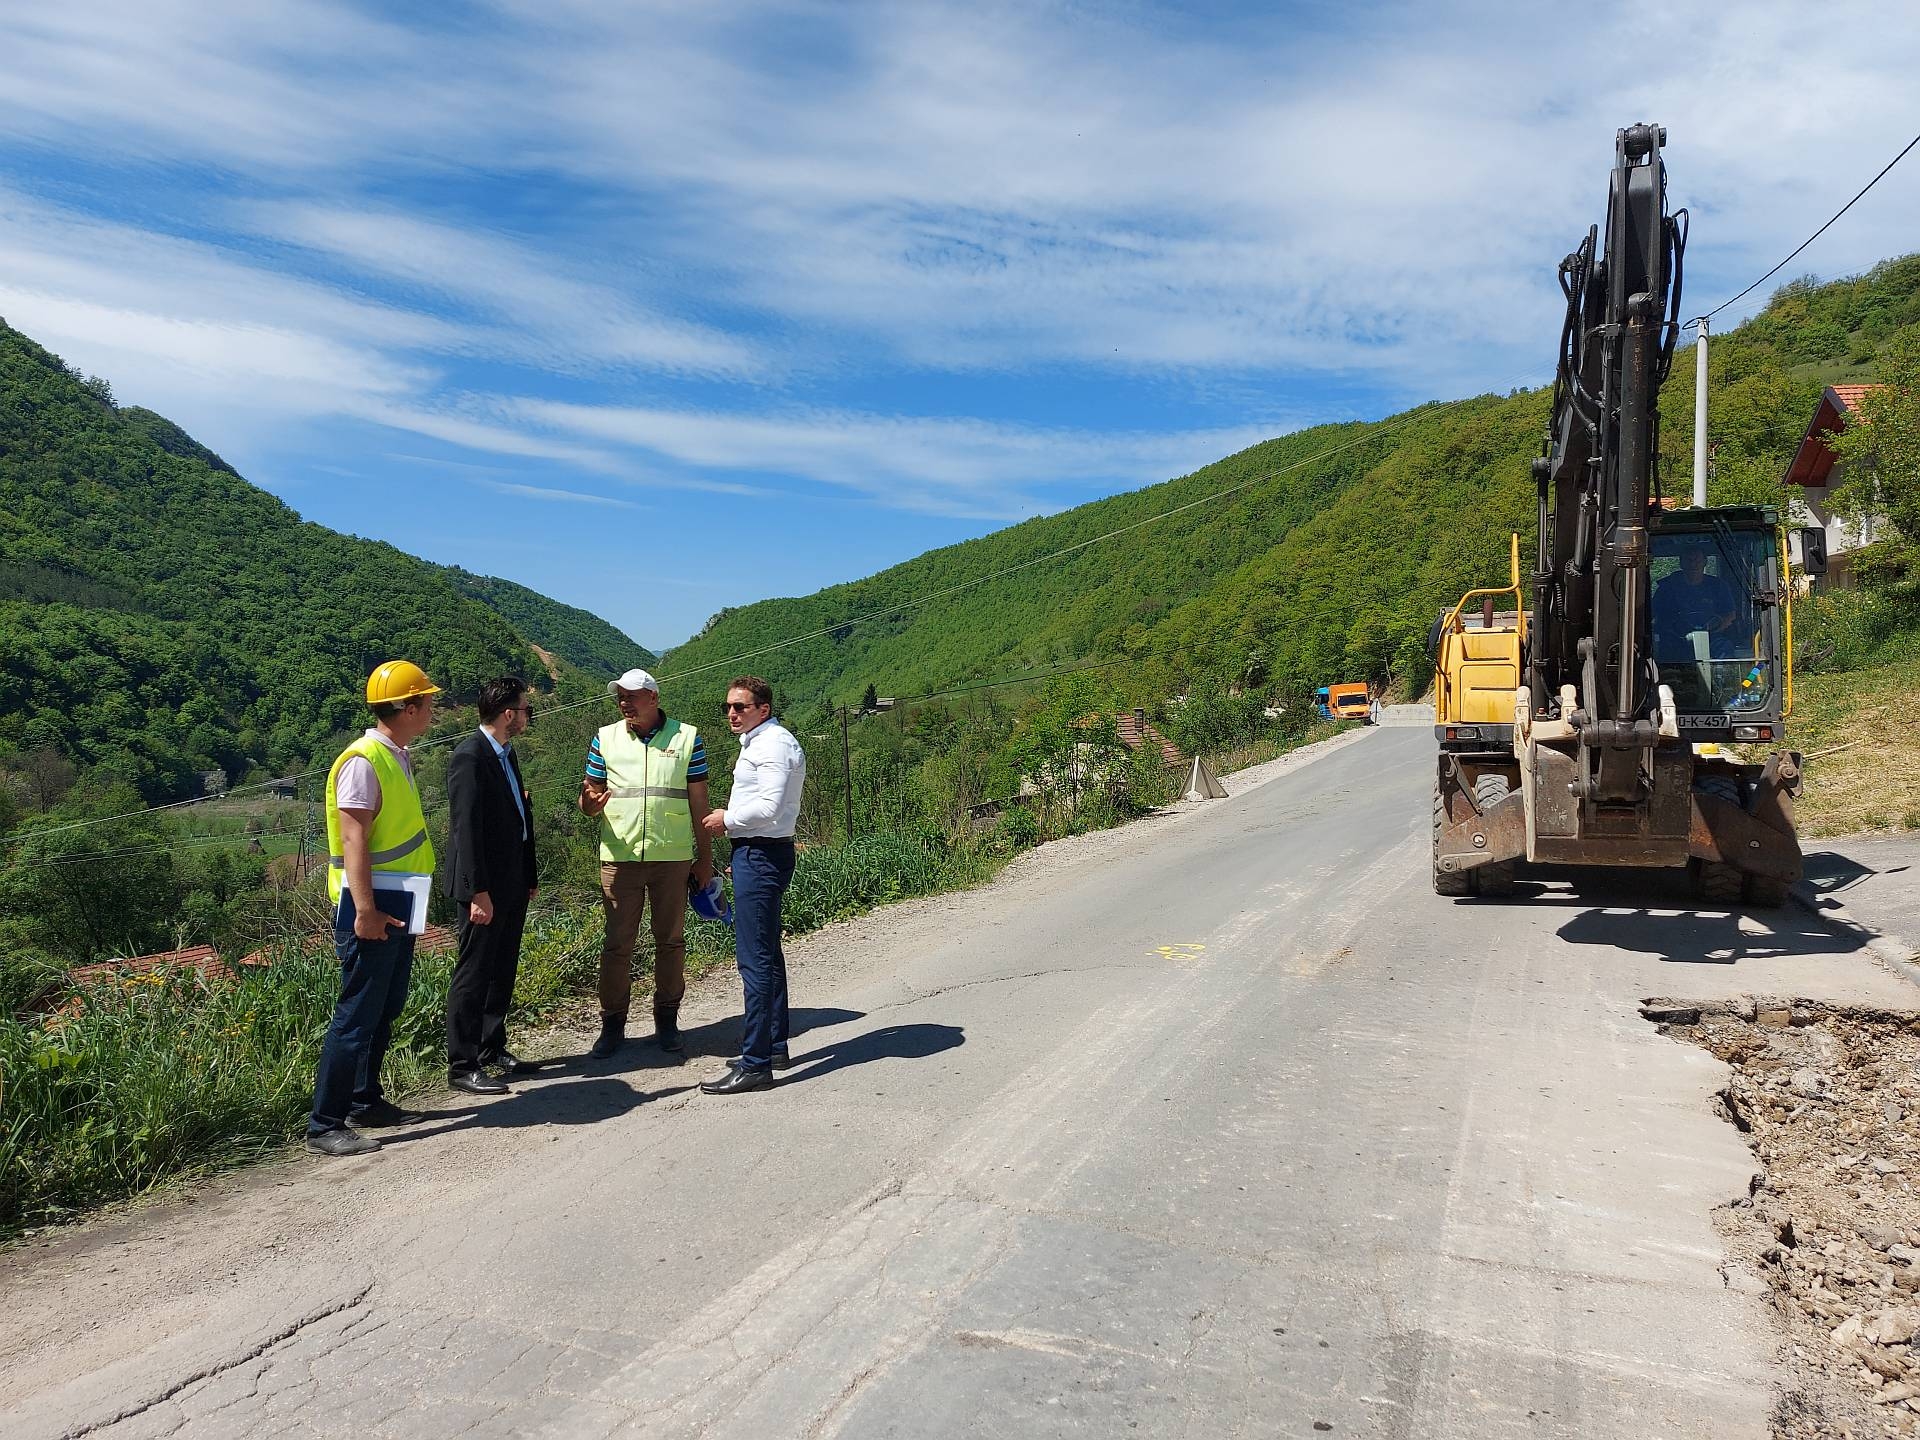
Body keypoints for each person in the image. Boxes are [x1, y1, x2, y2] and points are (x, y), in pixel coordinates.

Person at [307, 660, 440, 1157]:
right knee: (356, 1015)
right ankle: (325, 1124)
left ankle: (365, 1101)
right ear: (408, 708)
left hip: (397, 899)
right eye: (427, 701)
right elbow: (354, 839)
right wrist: (364, 910)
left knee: (384, 1007)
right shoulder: (364, 761)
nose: (433, 708)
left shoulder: (395, 755)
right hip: (371, 904)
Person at [579, 668, 714, 1060]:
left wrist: (705, 858)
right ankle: (612, 1024)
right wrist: (589, 804)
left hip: (672, 858)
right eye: (620, 696)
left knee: (670, 941)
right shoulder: (604, 737)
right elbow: (589, 797)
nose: (624, 702)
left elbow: (699, 803)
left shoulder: (687, 737)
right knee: (617, 944)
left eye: (632, 696)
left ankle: (667, 1020)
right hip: (619, 858)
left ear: (653, 698)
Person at [698, 675, 806, 1095]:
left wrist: (726, 819)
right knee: (767, 955)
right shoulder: (764, 741)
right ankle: (773, 1047)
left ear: (763, 709)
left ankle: (756, 1063)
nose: (731, 713)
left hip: (760, 855)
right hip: (760, 852)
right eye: (728, 706)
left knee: (754, 961)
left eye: (740, 706)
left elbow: (770, 806)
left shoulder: (772, 745)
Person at [444, 676, 538, 1096]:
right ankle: (463, 1064)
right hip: (483, 888)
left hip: (512, 881)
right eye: (526, 710)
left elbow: (520, 816)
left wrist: (529, 875)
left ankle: (491, 1046)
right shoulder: (470, 757)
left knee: (502, 968)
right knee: (474, 972)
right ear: (508, 714)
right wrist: (476, 891)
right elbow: (466, 831)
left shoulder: (505, 753)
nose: (528, 717)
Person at [1654, 544, 1739, 659]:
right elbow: (1651, 615)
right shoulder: (1666, 588)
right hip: (1675, 640)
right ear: (1681, 563)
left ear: (1705, 562)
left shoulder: (1718, 586)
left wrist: (1715, 628)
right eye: (1689, 560)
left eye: (1697, 560)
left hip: (1712, 638)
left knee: (1725, 647)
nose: (1693, 565)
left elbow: (1730, 615)